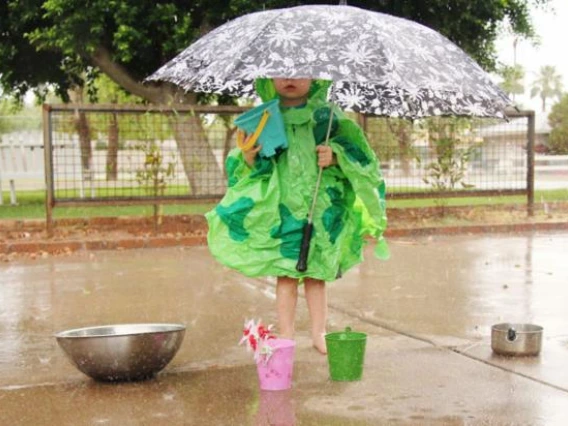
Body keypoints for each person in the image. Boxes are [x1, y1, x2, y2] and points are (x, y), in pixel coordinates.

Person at [206, 78, 388, 354]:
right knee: (286, 274)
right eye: (281, 72)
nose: (290, 79)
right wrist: (250, 157)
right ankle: (287, 332)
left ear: (315, 77)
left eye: (299, 72)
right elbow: (251, 168)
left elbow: (361, 157)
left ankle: (319, 331)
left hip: (319, 206)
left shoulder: (327, 117)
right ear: (269, 78)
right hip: (283, 209)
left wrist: (335, 156)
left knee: (316, 275)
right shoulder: (265, 118)